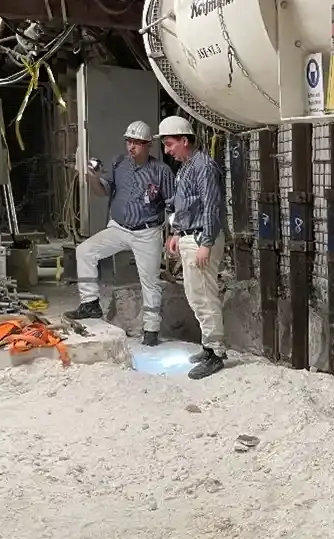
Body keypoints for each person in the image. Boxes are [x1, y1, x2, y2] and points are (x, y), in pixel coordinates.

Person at [64, 120, 175, 347]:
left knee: (150, 281)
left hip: (147, 232)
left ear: (148, 145)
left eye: (137, 143)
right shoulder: (118, 164)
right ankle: (90, 303)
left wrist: (174, 233)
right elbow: (101, 192)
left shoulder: (161, 171)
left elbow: (173, 203)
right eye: (129, 142)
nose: (131, 147)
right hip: (119, 228)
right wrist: (92, 176)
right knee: (85, 251)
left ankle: (151, 329)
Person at [158, 114, 227, 380]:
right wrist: (176, 232)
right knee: (196, 295)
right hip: (191, 235)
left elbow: (211, 205)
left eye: (170, 144)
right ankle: (208, 346)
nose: (167, 150)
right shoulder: (187, 166)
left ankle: (216, 352)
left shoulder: (203, 166)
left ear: (185, 141)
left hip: (201, 238)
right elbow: (186, 203)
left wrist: (206, 242)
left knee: (205, 296)